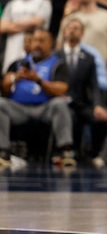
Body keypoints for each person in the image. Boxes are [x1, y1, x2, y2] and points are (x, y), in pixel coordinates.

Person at [0, 28, 74, 168]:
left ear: (51, 43)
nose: (37, 44)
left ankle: (66, 152)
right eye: (34, 40)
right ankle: (3, 152)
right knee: (0, 103)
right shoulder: (18, 63)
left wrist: (38, 80)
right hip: (19, 109)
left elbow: (61, 89)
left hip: (44, 108)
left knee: (59, 103)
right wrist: (15, 78)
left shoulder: (58, 64)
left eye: (42, 41)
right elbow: (4, 88)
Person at [60, 18, 107, 167]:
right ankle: (68, 153)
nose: (73, 30)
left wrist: (97, 105)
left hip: (82, 103)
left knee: (101, 119)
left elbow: (94, 85)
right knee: (69, 117)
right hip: (61, 103)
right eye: (70, 27)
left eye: (76, 28)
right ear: (64, 32)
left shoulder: (89, 58)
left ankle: (94, 154)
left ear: (82, 34)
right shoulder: (56, 56)